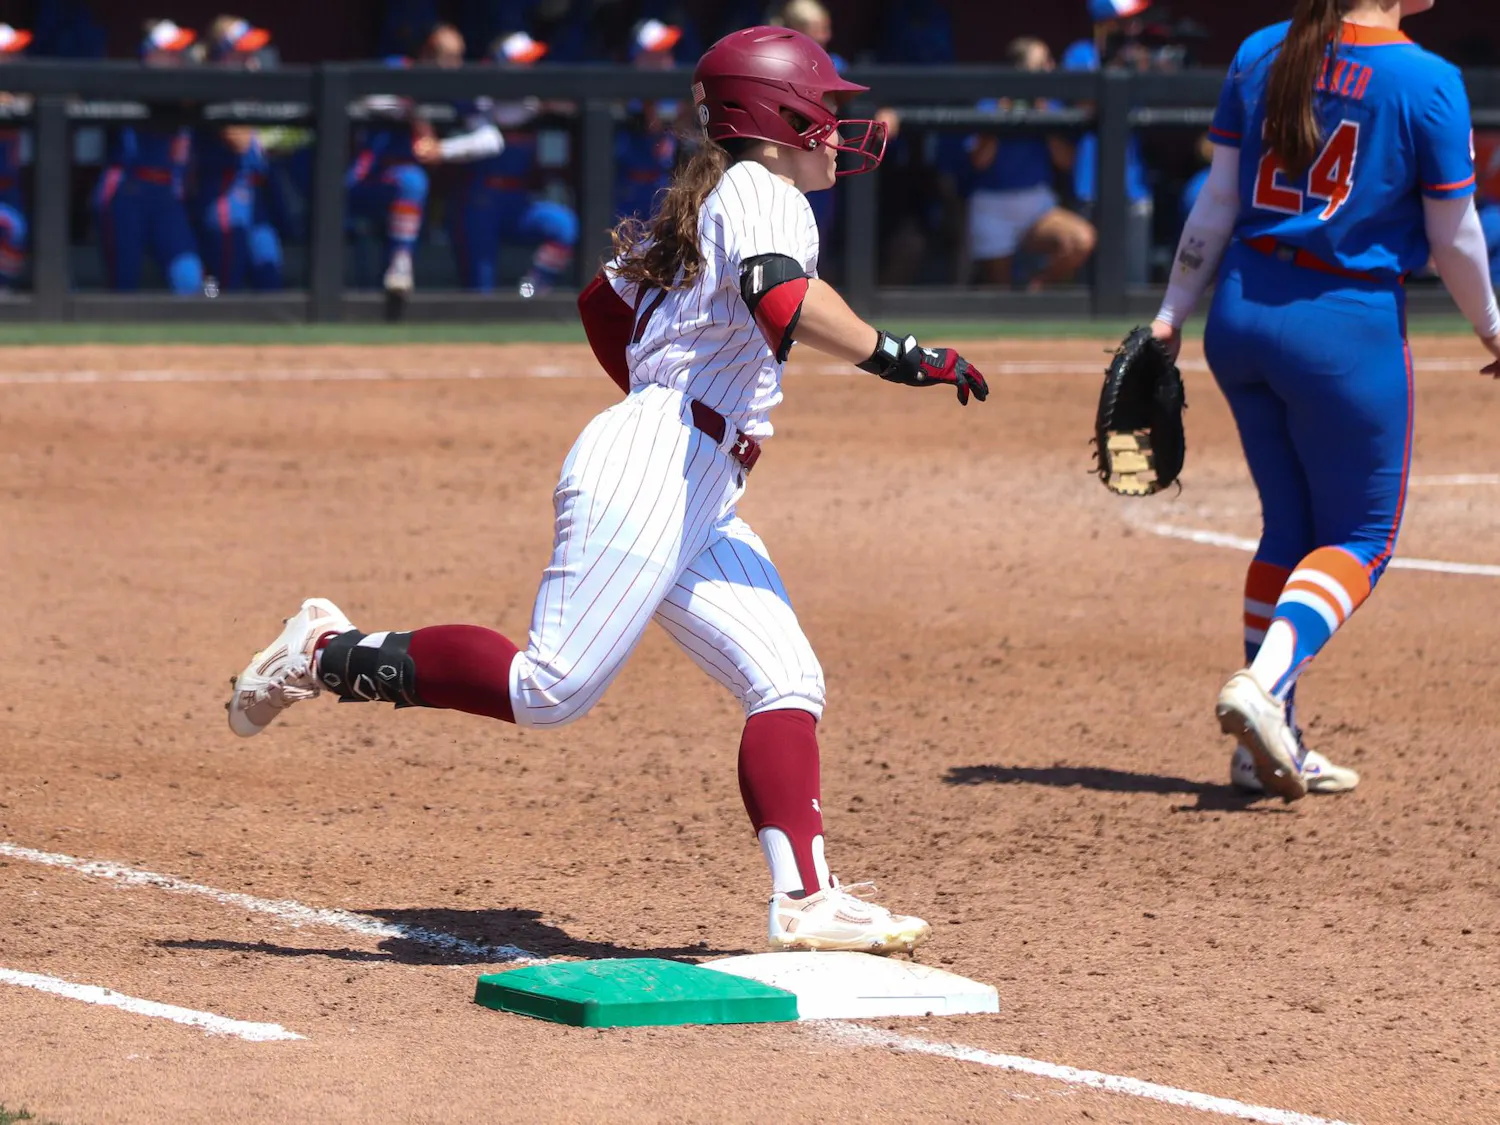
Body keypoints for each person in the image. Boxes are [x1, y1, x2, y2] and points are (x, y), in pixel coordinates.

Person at [228, 26, 989, 954]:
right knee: (550, 687)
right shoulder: (764, 190)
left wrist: (658, 400)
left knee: (786, 678)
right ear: (776, 115)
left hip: (690, 471)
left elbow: (602, 303)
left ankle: (807, 899)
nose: (836, 128)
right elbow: (780, 299)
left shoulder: (719, 192)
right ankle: (323, 648)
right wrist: (900, 355)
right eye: (823, 111)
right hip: (661, 462)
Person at [1149, 0, 1500, 800]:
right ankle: (1262, 686)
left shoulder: (1262, 50)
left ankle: (1265, 748)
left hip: (1240, 311)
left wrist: (1172, 311)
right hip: (1344, 327)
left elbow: (1218, 200)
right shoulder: (1427, 78)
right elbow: (1455, 237)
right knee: (1362, 539)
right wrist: (1492, 329)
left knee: (1291, 529)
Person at [443, 30, 578, 295]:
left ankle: (529, 290)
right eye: (520, 63)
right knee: (480, 289)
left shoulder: (536, 100)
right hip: (479, 201)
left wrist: (547, 104)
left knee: (564, 226)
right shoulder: (478, 94)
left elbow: (570, 104)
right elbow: (491, 114)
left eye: (530, 62)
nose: (528, 69)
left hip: (519, 201)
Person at [966, 38, 1095, 290]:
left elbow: (1066, 162)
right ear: (1020, 70)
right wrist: (1000, 118)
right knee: (998, 292)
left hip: (1036, 204)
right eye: (1042, 63)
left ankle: (1034, 288)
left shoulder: (1049, 105)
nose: (1050, 66)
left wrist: (1043, 118)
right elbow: (979, 161)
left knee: (1081, 240)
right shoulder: (990, 103)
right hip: (993, 204)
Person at [93, 20, 204, 295]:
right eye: (171, 52)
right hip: (127, 190)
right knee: (124, 282)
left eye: (182, 52)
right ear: (150, 55)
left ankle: (206, 327)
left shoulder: (196, 85)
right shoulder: (131, 83)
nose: (180, 58)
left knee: (193, 279)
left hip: (167, 196)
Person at [1064, 0, 1157, 285]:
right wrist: (1116, 64)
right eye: (1127, 19)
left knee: (1134, 281)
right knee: (1088, 281)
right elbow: (1082, 103)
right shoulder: (1082, 53)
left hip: (1133, 184)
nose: (1134, 26)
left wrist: (1146, 66)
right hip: (1090, 181)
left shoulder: (1138, 54)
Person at [197, 17, 283, 292]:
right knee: (223, 283)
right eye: (242, 53)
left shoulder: (253, 90)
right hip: (223, 195)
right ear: (223, 56)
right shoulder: (209, 88)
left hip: (255, 197)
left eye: (252, 52)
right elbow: (239, 140)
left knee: (269, 274)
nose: (252, 61)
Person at [347, 48, 432, 298]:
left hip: (400, 193)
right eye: (445, 58)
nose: (452, 64)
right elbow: (363, 98)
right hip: (360, 183)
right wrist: (407, 103)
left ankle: (400, 263)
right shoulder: (397, 67)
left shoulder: (448, 89)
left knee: (413, 182)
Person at [613, 20, 683, 225]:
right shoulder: (625, 101)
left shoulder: (675, 94)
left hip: (664, 188)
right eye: (659, 53)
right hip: (630, 195)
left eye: (667, 51)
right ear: (641, 58)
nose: (667, 58)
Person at [0, 24, 34, 293]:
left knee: (16, 229)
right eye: (10, 53)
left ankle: (5, 294)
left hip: (9, 189)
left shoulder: (23, 90)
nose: (18, 58)